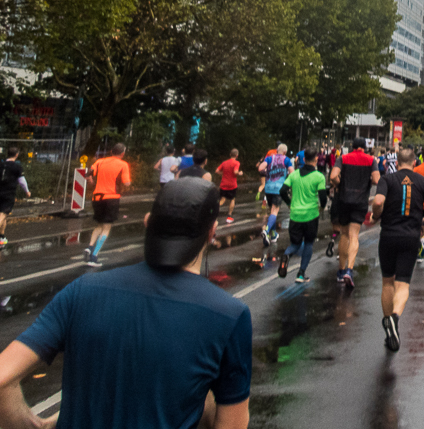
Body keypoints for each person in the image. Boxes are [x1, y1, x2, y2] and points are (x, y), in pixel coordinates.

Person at [0, 178, 252, 428]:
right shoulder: (229, 315)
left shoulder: (82, 291)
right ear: (212, 232)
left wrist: (35, 426)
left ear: (147, 223)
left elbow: (2, 377)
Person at [372, 145, 424, 351]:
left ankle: (388, 323)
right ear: (414, 162)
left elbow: (378, 201)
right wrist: (423, 221)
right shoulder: (423, 182)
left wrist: (376, 214)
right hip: (411, 236)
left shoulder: (387, 180)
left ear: (396, 162)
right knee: (402, 284)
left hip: (388, 235)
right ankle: (395, 318)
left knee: (387, 282)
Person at [329, 138, 380, 288]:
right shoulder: (371, 160)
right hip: (360, 201)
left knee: (343, 235)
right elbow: (377, 180)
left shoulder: (343, 158)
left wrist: (341, 185)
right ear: (364, 148)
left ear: (352, 147)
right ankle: (349, 270)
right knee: (354, 235)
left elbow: (333, 176)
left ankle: (341, 270)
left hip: (344, 200)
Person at [278, 148, 328, 284]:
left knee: (295, 243)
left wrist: (289, 203)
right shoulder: (319, 176)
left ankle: (286, 255)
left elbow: (282, 191)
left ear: (303, 159)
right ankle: (301, 273)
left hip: (295, 215)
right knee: (309, 244)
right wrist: (322, 207)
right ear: (316, 160)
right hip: (311, 215)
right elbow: (323, 197)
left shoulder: (294, 175)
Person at [84, 144, 131, 267]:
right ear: (122, 154)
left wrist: (91, 180)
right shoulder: (123, 165)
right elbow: (126, 183)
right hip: (112, 198)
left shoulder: (99, 162)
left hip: (97, 197)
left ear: (111, 151)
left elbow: (88, 173)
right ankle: (94, 256)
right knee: (106, 228)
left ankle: (89, 247)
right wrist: (128, 182)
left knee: (99, 225)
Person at [258, 144, 293, 244]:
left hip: (268, 188)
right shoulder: (286, 160)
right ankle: (266, 230)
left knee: (271, 211)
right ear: (285, 152)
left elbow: (260, 168)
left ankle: (273, 234)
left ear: (277, 150)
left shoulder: (269, 158)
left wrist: (268, 172)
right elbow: (292, 172)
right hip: (279, 188)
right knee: (275, 211)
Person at [0, 147, 31, 247]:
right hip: (8, 194)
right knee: (3, 214)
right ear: (16, 155)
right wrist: (27, 191)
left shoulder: (1, 164)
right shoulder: (17, 167)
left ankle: (1, 237)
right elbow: (22, 181)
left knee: (4, 217)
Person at [217, 149, 243, 224]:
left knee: (222, 200)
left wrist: (223, 173)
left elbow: (217, 171)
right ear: (237, 155)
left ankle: (214, 213)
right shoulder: (236, 163)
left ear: (230, 154)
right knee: (232, 199)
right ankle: (229, 216)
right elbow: (235, 172)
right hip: (232, 185)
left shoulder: (224, 162)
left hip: (223, 184)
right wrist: (240, 173)